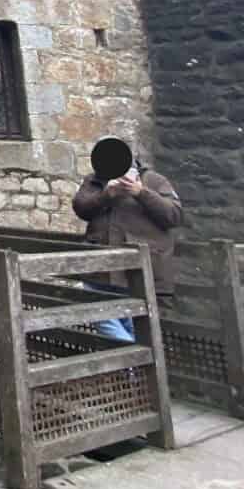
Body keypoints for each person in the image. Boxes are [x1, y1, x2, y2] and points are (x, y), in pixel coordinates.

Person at [72, 136, 182, 340]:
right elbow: (81, 208)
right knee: (101, 314)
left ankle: (134, 366)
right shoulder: (94, 181)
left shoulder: (154, 180)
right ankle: (135, 363)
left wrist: (141, 192)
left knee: (134, 325)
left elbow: (174, 215)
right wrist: (107, 194)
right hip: (101, 270)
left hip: (139, 272)